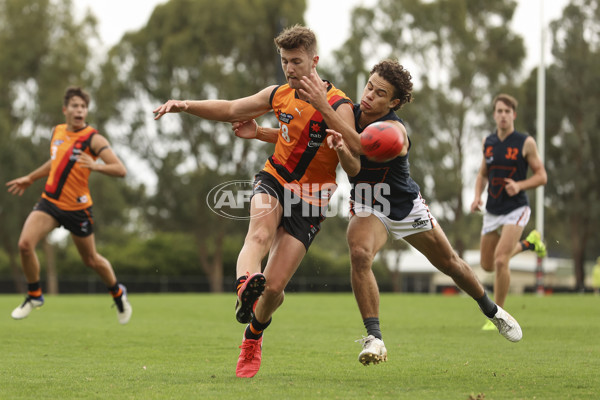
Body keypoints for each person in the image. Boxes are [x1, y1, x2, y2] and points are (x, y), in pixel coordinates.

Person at [243, 60, 524, 367]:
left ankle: (491, 310)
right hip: (367, 202)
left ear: (394, 102)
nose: (369, 96)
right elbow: (305, 139)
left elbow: (363, 146)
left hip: (403, 205)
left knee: (451, 264)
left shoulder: (394, 130)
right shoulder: (346, 112)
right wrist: (261, 132)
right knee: (360, 253)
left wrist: (328, 113)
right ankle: (374, 337)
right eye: (369, 86)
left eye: (380, 93)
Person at [153, 25, 357, 378]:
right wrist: (185, 105)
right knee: (258, 237)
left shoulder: (341, 105)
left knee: (275, 289)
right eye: (284, 61)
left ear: (315, 61)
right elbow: (233, 107)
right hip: (274, 179)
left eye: (296, 61)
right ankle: (246, 283)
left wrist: (319, 117)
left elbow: (353, 156)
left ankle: (252, 336)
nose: (290, 69)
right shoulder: (279, 94)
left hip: (311, 202)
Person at [6, 86, 132, 324]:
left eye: (83, 106)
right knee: (24, 245)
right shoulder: (58, 131)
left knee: (91, 260)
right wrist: (31, 178)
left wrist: (96, 166)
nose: (79, 110)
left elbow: (120, 170)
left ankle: (117, 292)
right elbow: (56, 161)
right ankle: (34, 295)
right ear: (65, 110)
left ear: (86, 111)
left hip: (78, 209)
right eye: (74, 105)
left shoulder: (93, 139)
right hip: (50, 203)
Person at [470, 93, 548, 330]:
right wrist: (476, 197)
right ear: (494, 115)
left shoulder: (525, 142)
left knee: (501, 261)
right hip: (493, 210)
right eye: (499, 111)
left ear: (513, 115)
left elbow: (541, 176)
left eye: (507, 111)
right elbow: (483, 173)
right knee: (487, 265)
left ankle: (497, 317)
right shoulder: (489, 141)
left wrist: (520, 185)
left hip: (516, 209)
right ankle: (530, 244)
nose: (503, 115)